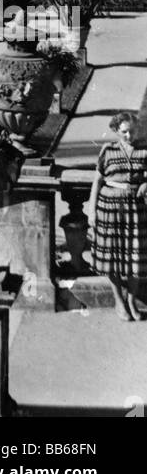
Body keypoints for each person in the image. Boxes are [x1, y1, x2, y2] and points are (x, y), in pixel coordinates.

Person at [87, 111, 147, 321]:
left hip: (135, 210)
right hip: (109, 208)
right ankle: (119, 301)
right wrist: (91, 211)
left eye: (131, 131)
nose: (129, 136)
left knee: (136, 258)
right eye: (124, 132)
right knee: (112, 257)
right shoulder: (108, 151)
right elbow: (97, 181)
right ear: (116, 130)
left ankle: (131, 300)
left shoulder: (144, 151)